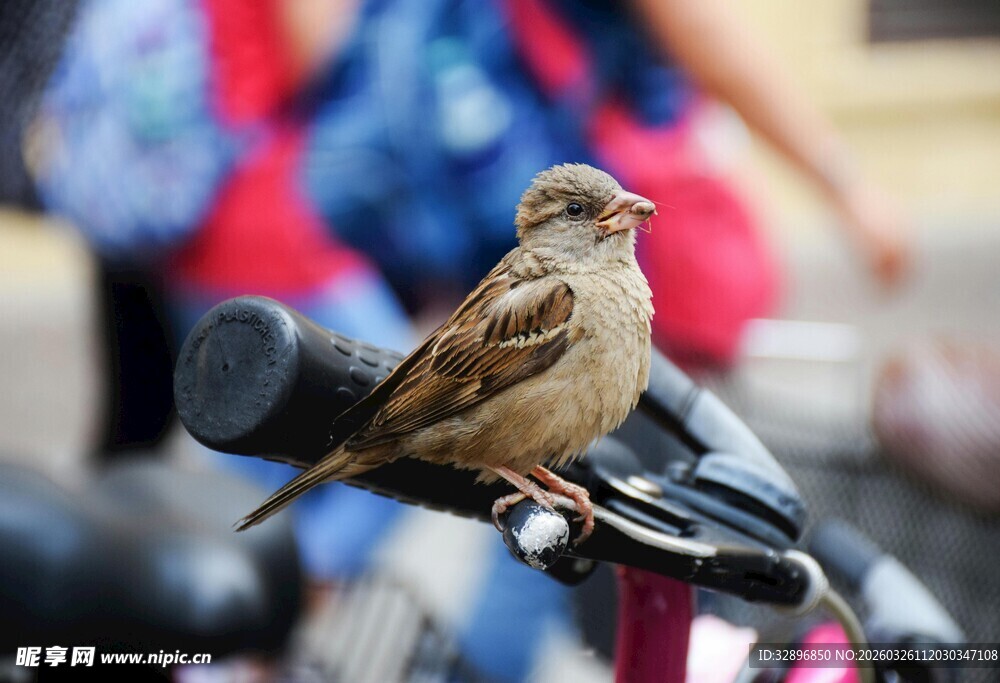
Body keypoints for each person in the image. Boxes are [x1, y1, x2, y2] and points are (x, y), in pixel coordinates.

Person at [30, 0, 911, 678]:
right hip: (284, 250)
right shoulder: (562, 294)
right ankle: (229, 632)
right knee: (494, 555)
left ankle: (227, 631)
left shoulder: (578, 275)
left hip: (239, 242)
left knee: (263, 498)